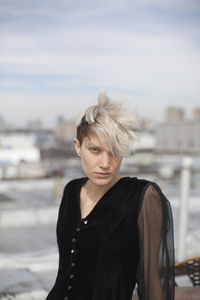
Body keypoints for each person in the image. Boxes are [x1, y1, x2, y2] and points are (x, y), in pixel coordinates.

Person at [46, 90, 175, 300]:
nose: (105, 164)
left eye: (114, 151)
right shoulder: (71, 191)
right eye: (95, 150)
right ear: (78, 147)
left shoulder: (143, 197)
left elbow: (152, 284)